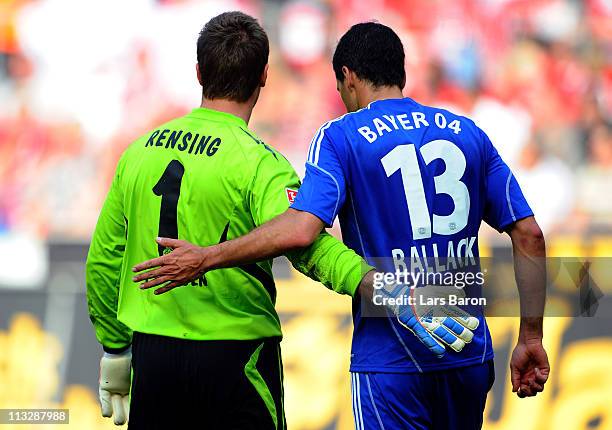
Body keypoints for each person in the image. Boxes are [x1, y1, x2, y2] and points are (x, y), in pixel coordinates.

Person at [133, 22, 550, 429]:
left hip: (390, 360)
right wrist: (530, 337)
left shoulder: (341, 136)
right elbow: (529, 235)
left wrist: (208, 257)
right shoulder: (467, 133)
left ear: (348, 78)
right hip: (466, 352)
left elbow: (301, 231)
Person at [86, 12, 377, 429]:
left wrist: (115, 349)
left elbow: (104, 260)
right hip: (237, 358)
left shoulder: (138, 152)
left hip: (155, 357)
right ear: (263, 77)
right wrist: (370, 281)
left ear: (199, 72)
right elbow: (307, 244)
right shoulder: (261, 165)